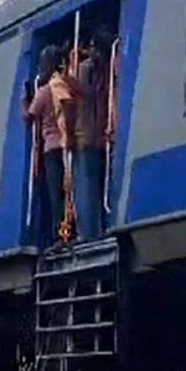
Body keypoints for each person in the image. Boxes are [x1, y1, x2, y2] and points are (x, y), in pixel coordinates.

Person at [23, 45, 79, 245]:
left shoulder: (44, 91)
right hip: (66, 146)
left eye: (42, 64)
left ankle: (61, 235)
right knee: (67, 192)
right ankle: (70, 230)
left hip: (51, 149)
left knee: (56, 196)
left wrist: (24, 100)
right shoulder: (64, 85)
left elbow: (28, 117)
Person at [72, 31, 111, 241]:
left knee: (84, 186)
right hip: (101, 134)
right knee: (98, 183)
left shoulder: (85, 68)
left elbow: (81, 95)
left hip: (85, 134)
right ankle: (98, 228)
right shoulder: (107, 68)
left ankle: (87, 233)